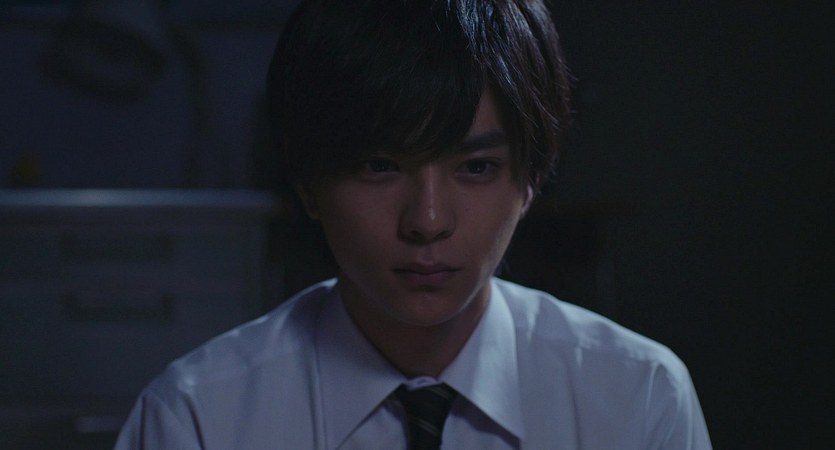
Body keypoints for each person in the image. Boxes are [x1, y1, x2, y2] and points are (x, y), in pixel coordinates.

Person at [115, 0, 712, 448]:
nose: (427, 221)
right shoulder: (199, 418)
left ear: (530, 180)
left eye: (475, 167)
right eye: (380, 166)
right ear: (308, 183)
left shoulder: (637, 397)